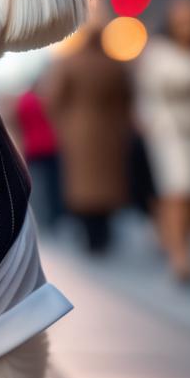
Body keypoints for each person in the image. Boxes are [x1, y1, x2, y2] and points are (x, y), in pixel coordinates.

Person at [136, 0, 190, 282]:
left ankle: (182, 240)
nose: (187, 26)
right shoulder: (158, 53)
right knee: (177, 190)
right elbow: (147, 94)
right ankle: (180, 255)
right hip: (170, 132)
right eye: (181, 21)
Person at [45, 26, 133, 253]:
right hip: (111, 132)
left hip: (78, 133)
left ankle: (89, 234)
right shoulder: (115, 65)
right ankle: (102, 233)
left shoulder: (70, 63)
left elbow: (53, 99)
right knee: (107, 185)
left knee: (82, 185)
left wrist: (63, 123)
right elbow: (127, 99)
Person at [15, 84, 63, 234]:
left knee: (37, 185)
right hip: (49, 146)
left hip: (33, 148)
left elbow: (18, 122)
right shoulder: (45, 100)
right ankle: (54, 218)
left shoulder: (23, 101)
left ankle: (41, 219)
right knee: (53, 185)